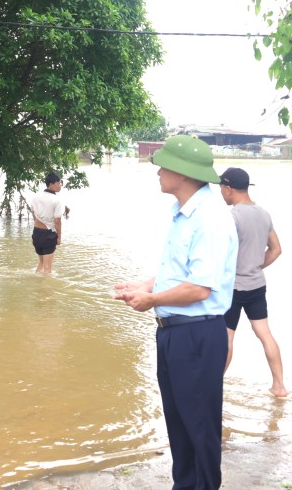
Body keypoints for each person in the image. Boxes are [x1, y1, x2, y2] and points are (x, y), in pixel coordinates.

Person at [114, 136, 237, 490]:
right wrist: (145, 287)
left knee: (199, 427)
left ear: (183, 173)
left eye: (164, 165)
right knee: (180, 424)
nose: (158, 171)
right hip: (174, 332)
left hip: (197, 334)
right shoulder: (184, 213)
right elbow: (179, 274)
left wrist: (152, 300)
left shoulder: (209, 218)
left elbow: (201, 288)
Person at [219, 167, 288, 398]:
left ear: (228, 189)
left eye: (221, 188)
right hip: (257, 285)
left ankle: (215, 385)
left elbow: (221, 254)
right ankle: (279, 386)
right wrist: (256, 266)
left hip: (233, 288)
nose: (220, 192)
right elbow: (276, 250)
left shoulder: (232, 217)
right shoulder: (264, 213)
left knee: (227, 336)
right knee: (265, 333)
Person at [29, 171, 65, 274]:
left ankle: (35, 283)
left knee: (41, 263)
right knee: (48, 268)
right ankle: (46, 290)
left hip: (36, 233)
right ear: (51, 184)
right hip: (48, 235)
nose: (60, 185)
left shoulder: (36, 197)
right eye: (58, 183)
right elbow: (57, 221)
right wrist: (59, 238)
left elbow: (34, 215)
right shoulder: (57, 200)